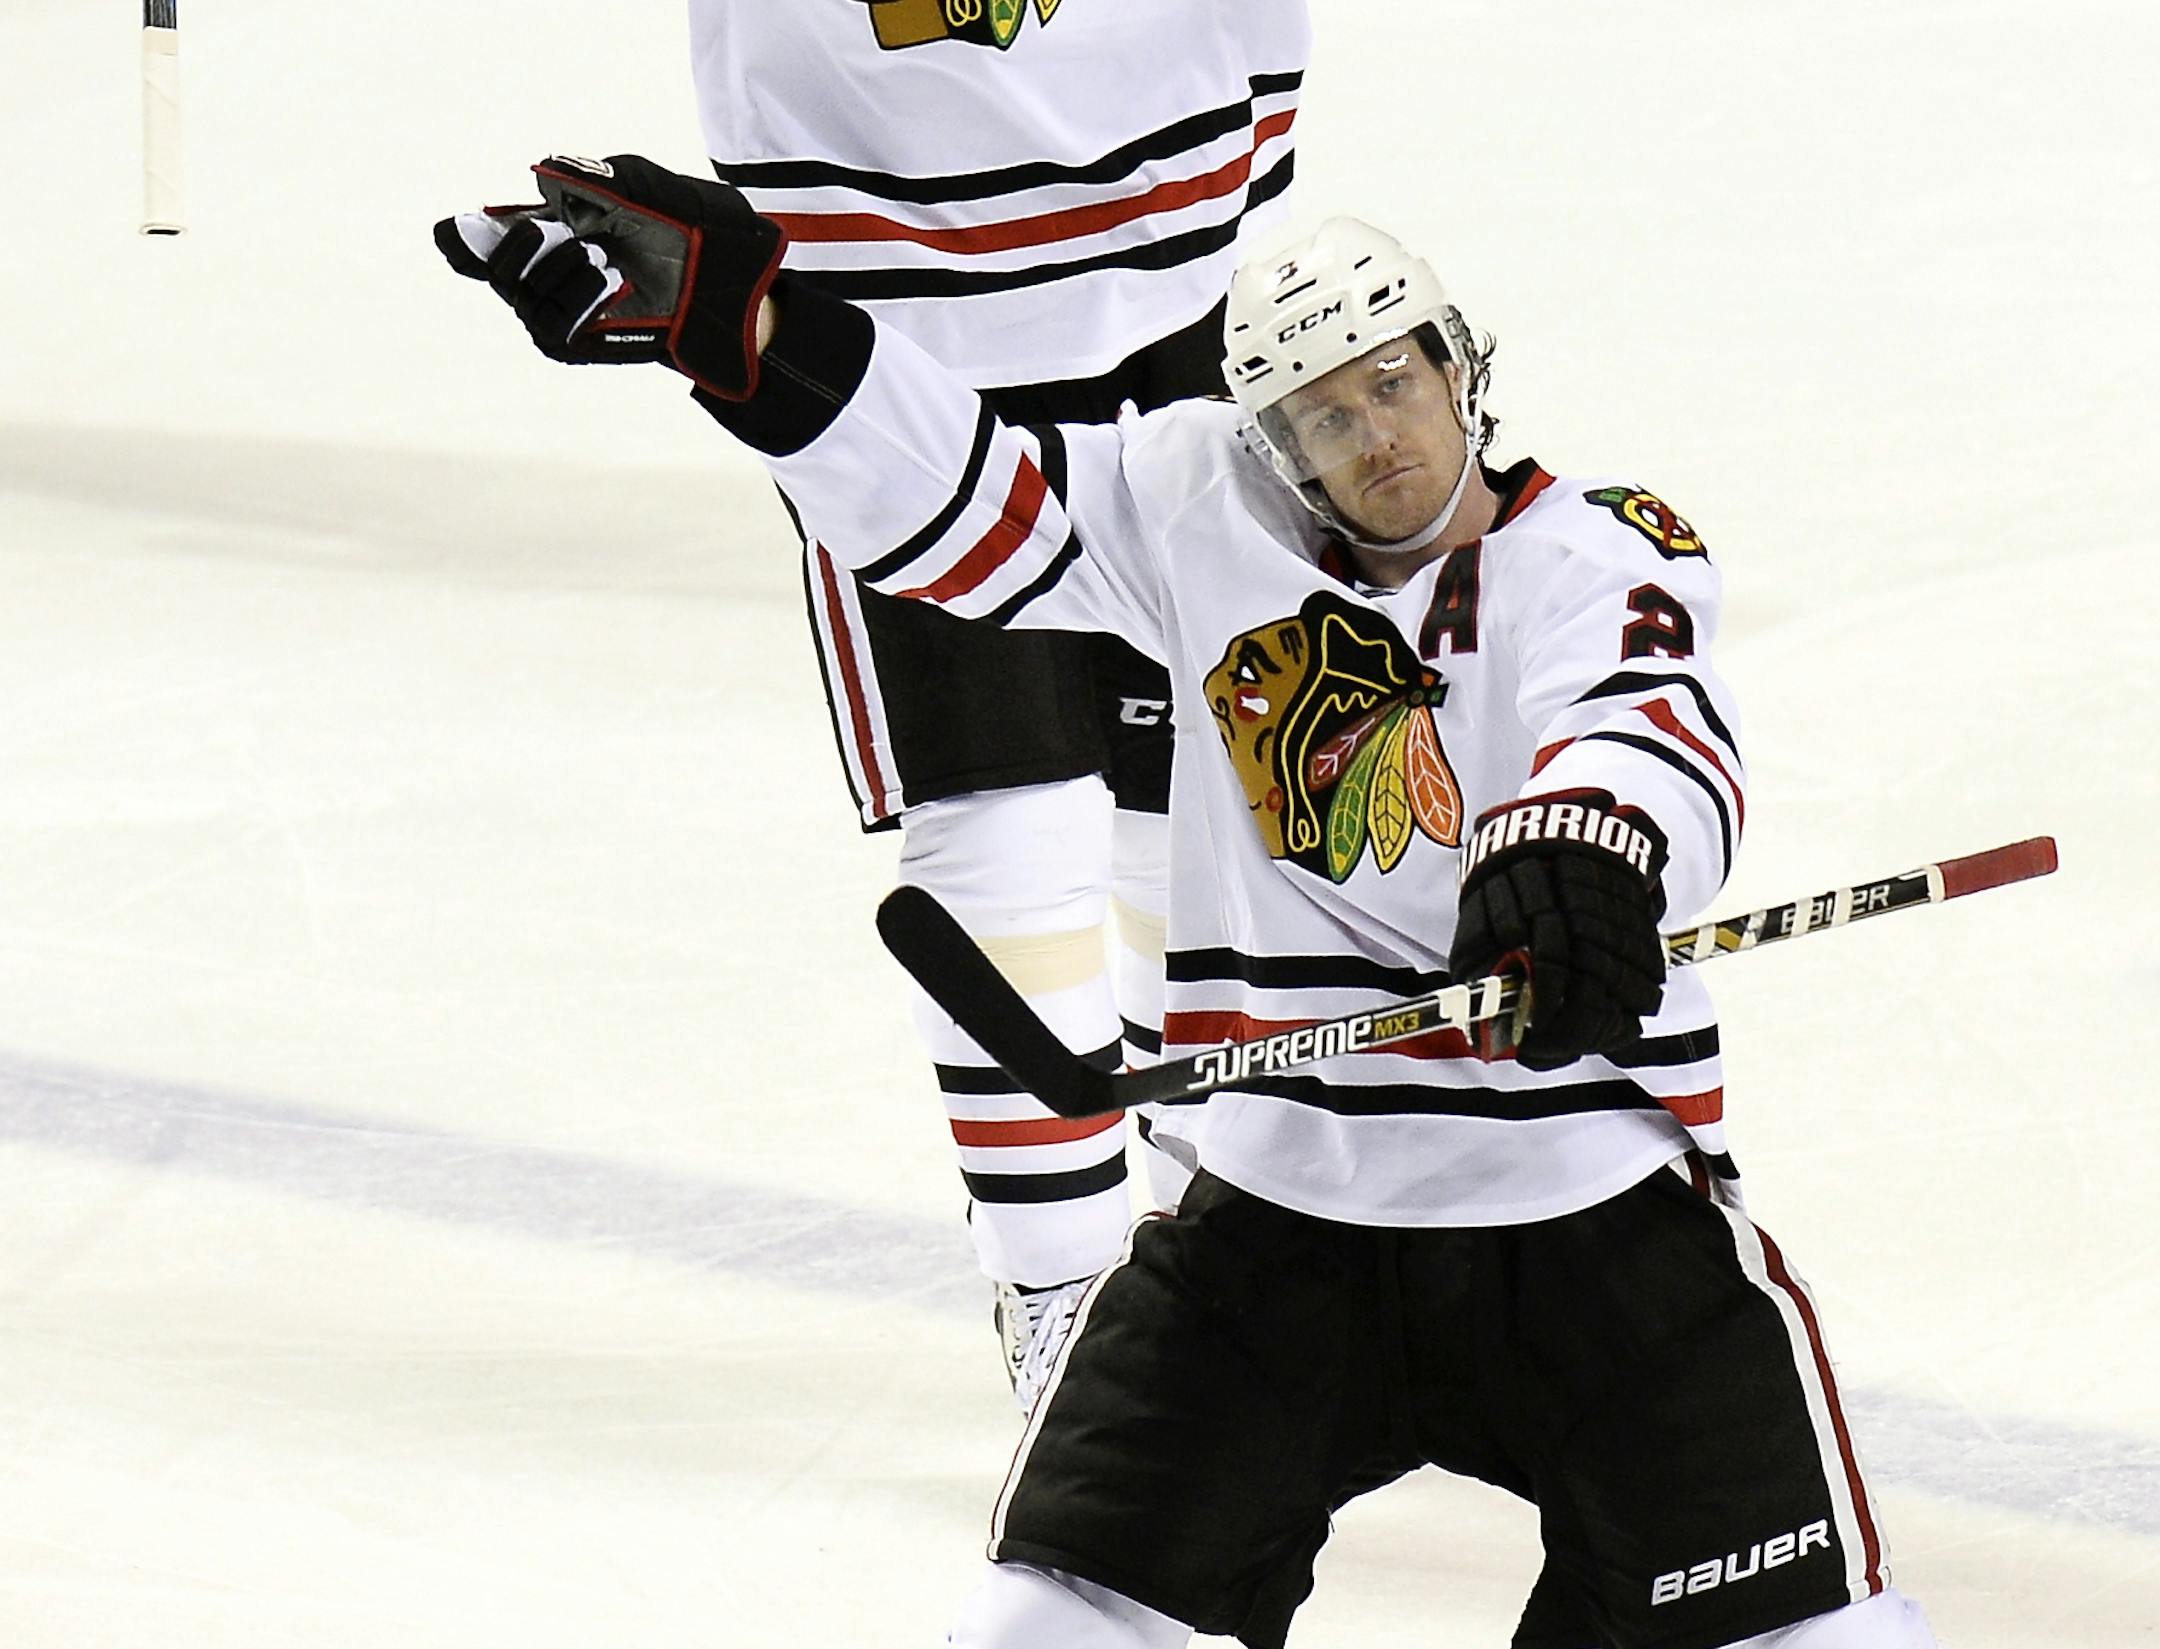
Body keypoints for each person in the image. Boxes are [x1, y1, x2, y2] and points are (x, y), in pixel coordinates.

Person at [70, 0, 1716, 1399]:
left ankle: (1286, 1250)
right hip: (916, 413)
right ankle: (1063, 1309)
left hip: (1212, 395)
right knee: (1008, 850)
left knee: (1219, 838)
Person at [431, 155, 1938, 1649]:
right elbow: (976, 500)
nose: (1375, 435)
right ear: (1277, 445)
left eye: (1392, 382)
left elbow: (1647, 718)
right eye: (1324, 417)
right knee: (1047, 1629)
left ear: (1458, 362)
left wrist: (1579, 849)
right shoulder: (1203, 511)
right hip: (1281, 1219)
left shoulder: (1600, 550)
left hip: (1585, 1212)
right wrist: (755, 333)